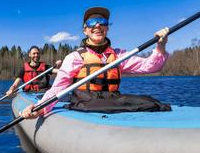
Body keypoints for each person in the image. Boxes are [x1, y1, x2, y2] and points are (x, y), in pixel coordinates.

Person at [20, 7, 170, 119]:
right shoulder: (74, 58)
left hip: (112, 100)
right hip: (85, 102)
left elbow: (152, 66)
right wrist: (40, 109)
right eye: (92, 23)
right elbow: (57, 89)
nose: (97, 26)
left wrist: (161, 46)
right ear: (85, 30)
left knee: (149, 102)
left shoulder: (119, 55)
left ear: (107, 28)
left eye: (102, 22)